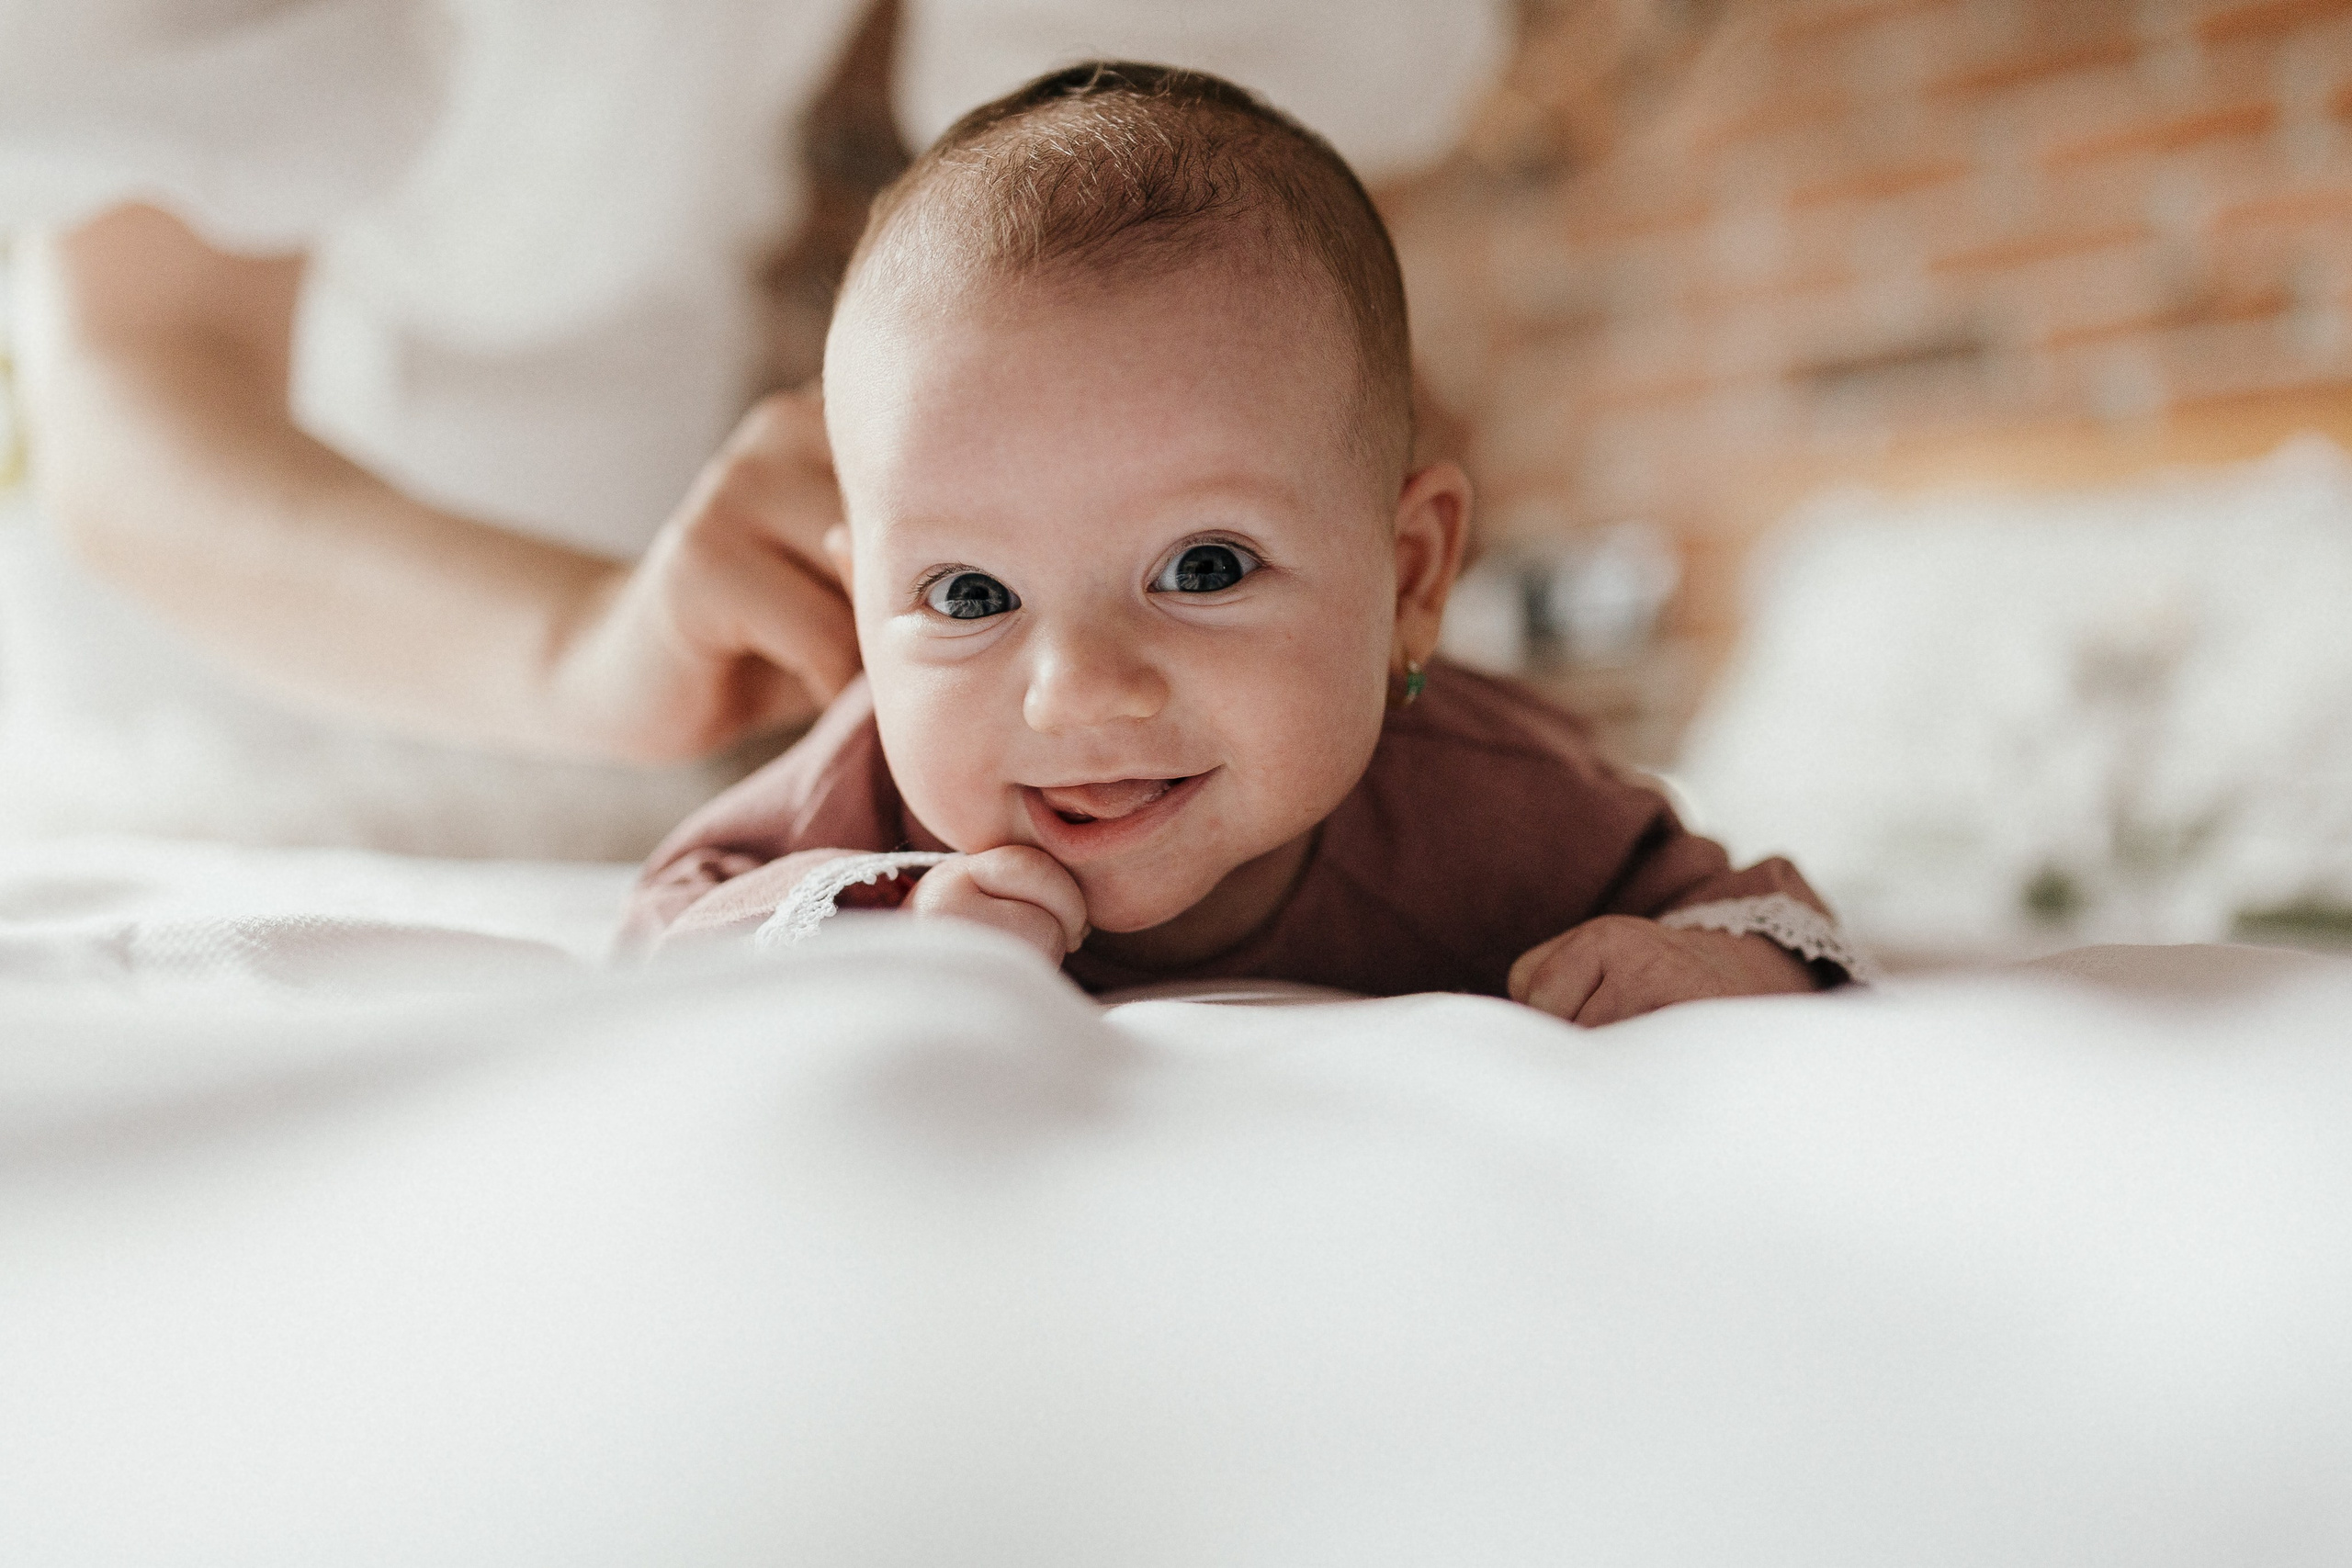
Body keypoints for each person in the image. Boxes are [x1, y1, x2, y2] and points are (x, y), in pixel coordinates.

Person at [0, 0, 1507, 858]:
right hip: (232, 696)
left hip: (680, 713)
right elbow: (139, 385)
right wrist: (584, 645)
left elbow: (1190, 229)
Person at [624, 63, 1869, 1023]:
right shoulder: (867, 794)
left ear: (1413, 577)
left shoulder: (1494, 803)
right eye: (965, 594)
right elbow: (658, 930)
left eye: (1203, 568)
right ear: (862, 613)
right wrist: (883, 937)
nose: (1077, 692)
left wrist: (1705, 971)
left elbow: (1763, 913)